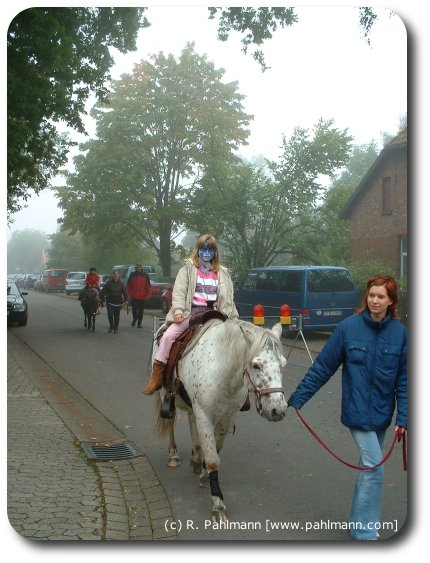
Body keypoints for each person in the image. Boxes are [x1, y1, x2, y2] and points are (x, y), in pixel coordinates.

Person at [287, 275, 407, 541]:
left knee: (367, 468)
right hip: (356, 412)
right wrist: (298, 398)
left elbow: (404, 379)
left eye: (381, 297)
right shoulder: (347, 328)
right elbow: (323, 367)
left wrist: (405, 417)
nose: (374, 301)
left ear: (391, 301)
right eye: (371, 295)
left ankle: (357, 524)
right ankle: (365, 534)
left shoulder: (400, 333)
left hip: (382, 414)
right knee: (374, 469)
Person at [143, 234, 238, 395]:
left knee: (237, 342)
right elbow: (179, 293)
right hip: (191, 314)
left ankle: (238, 387)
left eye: (210, 249)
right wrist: (179, 311)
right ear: (198, 250)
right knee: (167, 337)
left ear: (215, 252)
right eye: (203, 249)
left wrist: (232, 317)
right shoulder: (187, 270)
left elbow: (228, 298)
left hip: (215, 316)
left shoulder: (223, 273)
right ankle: (157, 377)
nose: (207, 252)